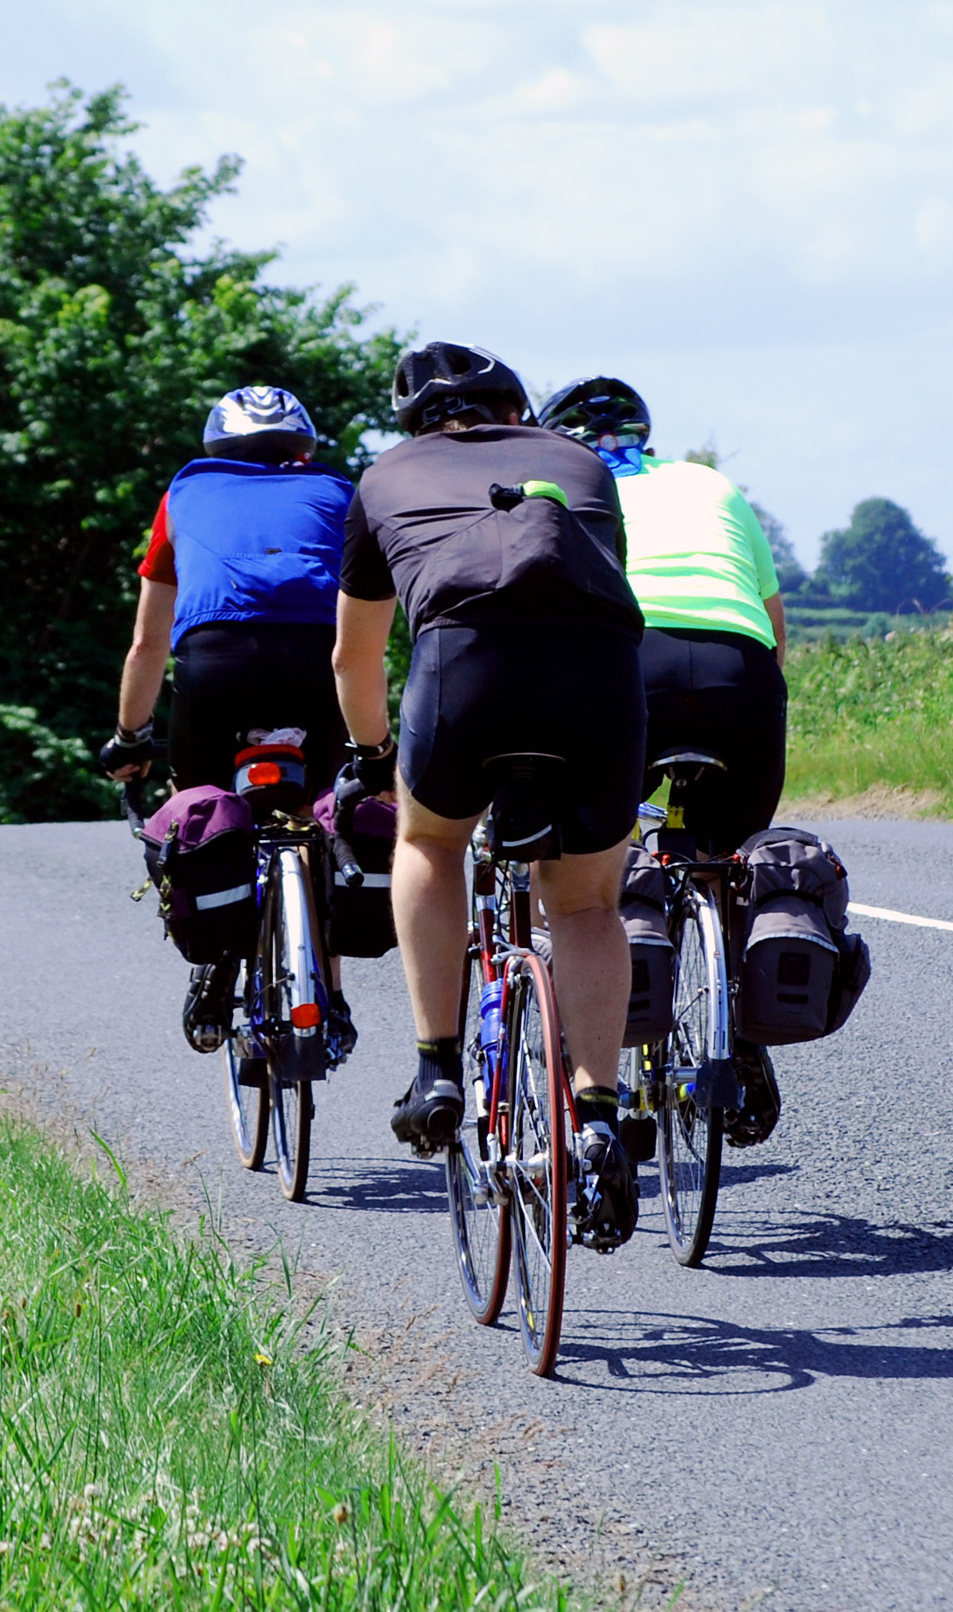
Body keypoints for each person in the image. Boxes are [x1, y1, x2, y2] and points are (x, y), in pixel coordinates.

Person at [330, 342, 648, 1249]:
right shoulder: (580, 461)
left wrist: (372, 752)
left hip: (463, 665)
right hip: (597, 675)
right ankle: (595, 1118)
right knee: (586, 903)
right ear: (518, 410)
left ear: (415, 423)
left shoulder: (384, 476)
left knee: (428, 843)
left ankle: (434, 1068)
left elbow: (355, 656)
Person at [537, 375, 791, 1146]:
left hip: (629, 664)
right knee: (723, 853)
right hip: (739, 674)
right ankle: (737, 1031)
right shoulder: (712, 484)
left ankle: (613, 1046)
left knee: (594, 872)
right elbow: (775, 631)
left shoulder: (560, 489)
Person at [105, 385, 354, 1055]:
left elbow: (147, 644)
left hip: (215, 665)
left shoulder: (184, 496)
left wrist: (131, 737)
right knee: (320, 817)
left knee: (206, 807)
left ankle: (214, 967)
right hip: (317, 663)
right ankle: (328, 994)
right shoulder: (338, 492)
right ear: (303, 447)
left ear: (218, 444)